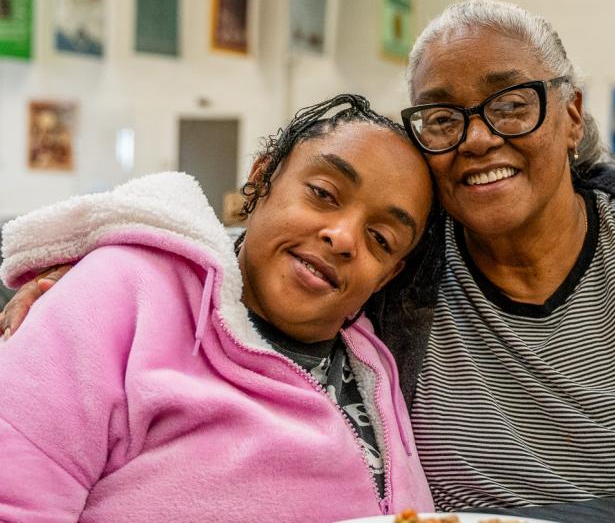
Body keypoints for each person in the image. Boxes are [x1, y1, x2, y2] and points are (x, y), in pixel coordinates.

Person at [2, 0, 615, 512]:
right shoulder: (408, 267)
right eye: (441, 117)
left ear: (572, 115)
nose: (477, 138)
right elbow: (272, 251)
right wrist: (107, 266)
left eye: (511, 103)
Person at [0, 95, 434, 522]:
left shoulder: (374, 363)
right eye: (322, 193)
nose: (342, 238)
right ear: (261, 179)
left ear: (388, 275)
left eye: (381, 239)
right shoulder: (121, 294)